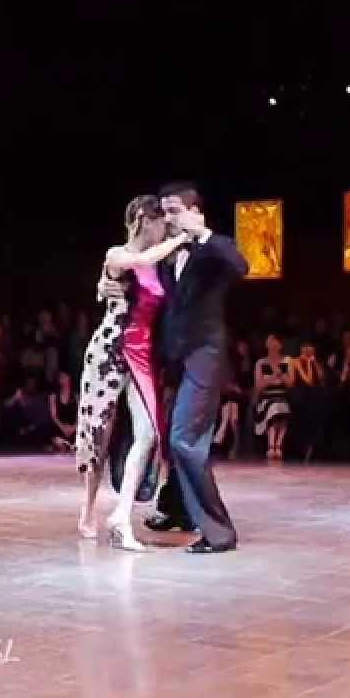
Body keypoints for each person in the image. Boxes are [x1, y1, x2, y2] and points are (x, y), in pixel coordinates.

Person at [107, 182, 247, 554]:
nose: (167, 219)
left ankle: (219, 533)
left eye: (173, 211)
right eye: (164, 212)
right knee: (170, 440)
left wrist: (202, 233)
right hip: (171, 359)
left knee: (185, 440)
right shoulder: (168, 256)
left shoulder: (213, 249)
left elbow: (241, 265)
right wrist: (106, 286)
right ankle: (179, 510)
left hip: (204, 355)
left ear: (194, 211)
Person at [76, 194, 191, 551]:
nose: (164, 232)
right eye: (159, 224)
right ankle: (87, 509)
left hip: (140, 353)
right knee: (99, 433)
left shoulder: (161, 263)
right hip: (109, 349)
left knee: (148, 434)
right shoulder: (118, 254)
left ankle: (121, 517)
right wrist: (177, 238)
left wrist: (181, 235)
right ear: (144, 219)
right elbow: (137, 259)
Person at [253, 334, 292, 459]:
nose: (273, 344)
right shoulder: (261, 363)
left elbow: (290, 383)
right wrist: (271, 377)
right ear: (266, 345)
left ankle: (278, 445)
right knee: (274, 407)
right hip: (266, 399)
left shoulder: (287, 361)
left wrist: (280, 374)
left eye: (275, 341)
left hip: (282, 396)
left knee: (282, 408)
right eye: (270, 341)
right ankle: (271, 445)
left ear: (280, 345)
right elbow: (258, 386)